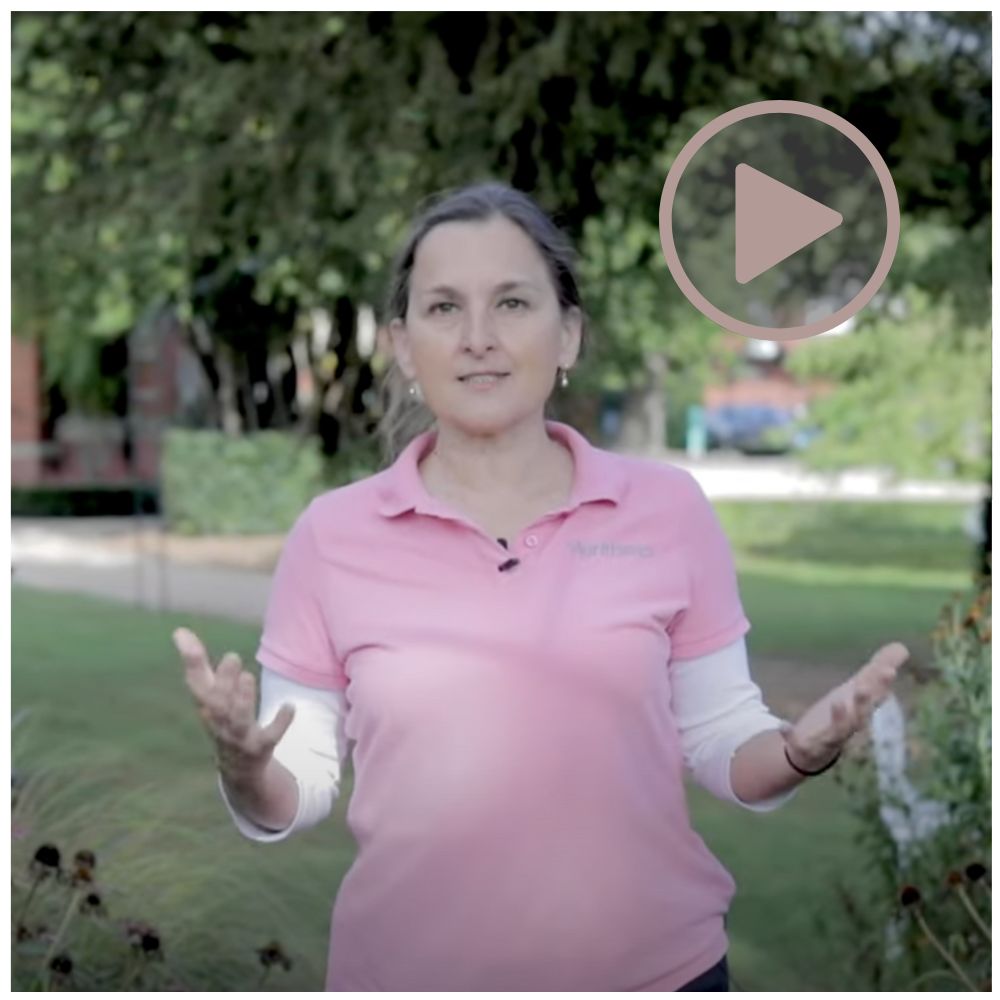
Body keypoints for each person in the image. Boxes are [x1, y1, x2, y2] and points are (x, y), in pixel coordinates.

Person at [172, 182, 908, 991]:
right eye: (444, 308)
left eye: (513, 303)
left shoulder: (665, 511)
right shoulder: (332, 535)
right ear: (403, 345)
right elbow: (301, 780)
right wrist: (245, 769)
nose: (478, 337)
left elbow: (723, 738)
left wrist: (798, 751)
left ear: (569, 336)